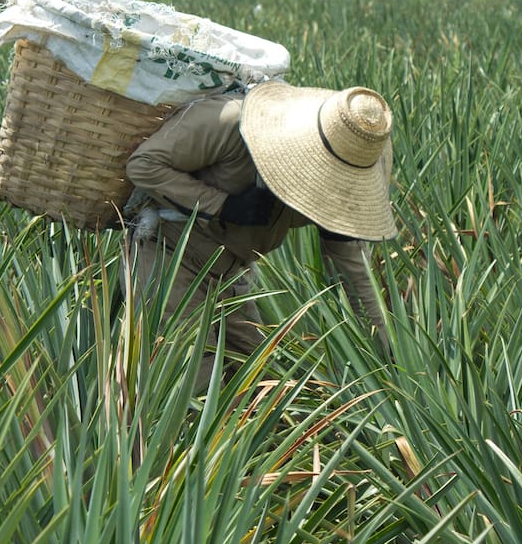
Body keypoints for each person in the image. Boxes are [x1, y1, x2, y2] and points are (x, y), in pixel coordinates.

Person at [123, 79, 396, 393]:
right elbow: (144, 164)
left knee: (262, 388)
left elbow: (351, 266)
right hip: (167, 258)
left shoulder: (337, 186)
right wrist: (223, 205)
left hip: (232, 275)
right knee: (194, 388)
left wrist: (383, 351)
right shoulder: (229, 122)